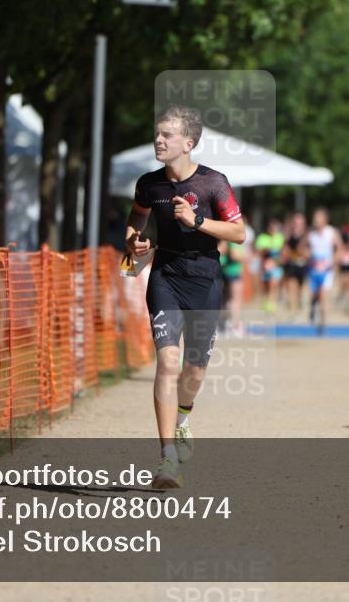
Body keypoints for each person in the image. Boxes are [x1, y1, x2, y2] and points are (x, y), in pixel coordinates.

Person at [126, 106, 246, 488]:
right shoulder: (149, 184)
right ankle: (166, 459)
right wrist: (135, 240)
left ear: (189, 143)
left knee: (194, 369)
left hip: (205, 278)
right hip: (165, 275)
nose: (159, 140)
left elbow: (239, 233)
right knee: (167, 360)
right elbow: (135, 218)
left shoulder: (213, 183)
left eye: (168, 135)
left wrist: (198, 222)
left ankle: (183, 416)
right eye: (157, 134)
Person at [306, 208, 343, 331]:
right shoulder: (311, 234)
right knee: (315, 295)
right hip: (314, 269)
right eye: (315, 218)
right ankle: (313, 305)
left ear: (326, 219)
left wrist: (332, 262)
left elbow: (340, 248)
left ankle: (323, 322)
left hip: (327, 270)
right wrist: (308, 256)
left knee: (323, 296)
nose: (317, 221)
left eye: (319, 218)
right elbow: (303, 248)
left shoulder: (331, 232)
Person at [281, 213, 309, 315]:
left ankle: (299, 302)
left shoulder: (307, 236)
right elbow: (285, 250)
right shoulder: (288, 236)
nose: (297, 225)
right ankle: (292, 312)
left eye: (300, 223)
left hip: (303, 266)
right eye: (296, 223)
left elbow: (307, 252)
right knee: (292, 286)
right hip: (292, 265)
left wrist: (302, 252)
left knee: (300, 289)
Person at [255, 218, 285, 313]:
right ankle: (266, 302)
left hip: (276, 266)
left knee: (274, 283)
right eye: (271, 227)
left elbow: (283, 253)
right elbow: (259, 252)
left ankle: (272, 303)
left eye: (275, 227)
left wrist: (276, 261)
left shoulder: (280, 238)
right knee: (266, 286)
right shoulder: (262, 238)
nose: (273, 229)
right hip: (265, 266)